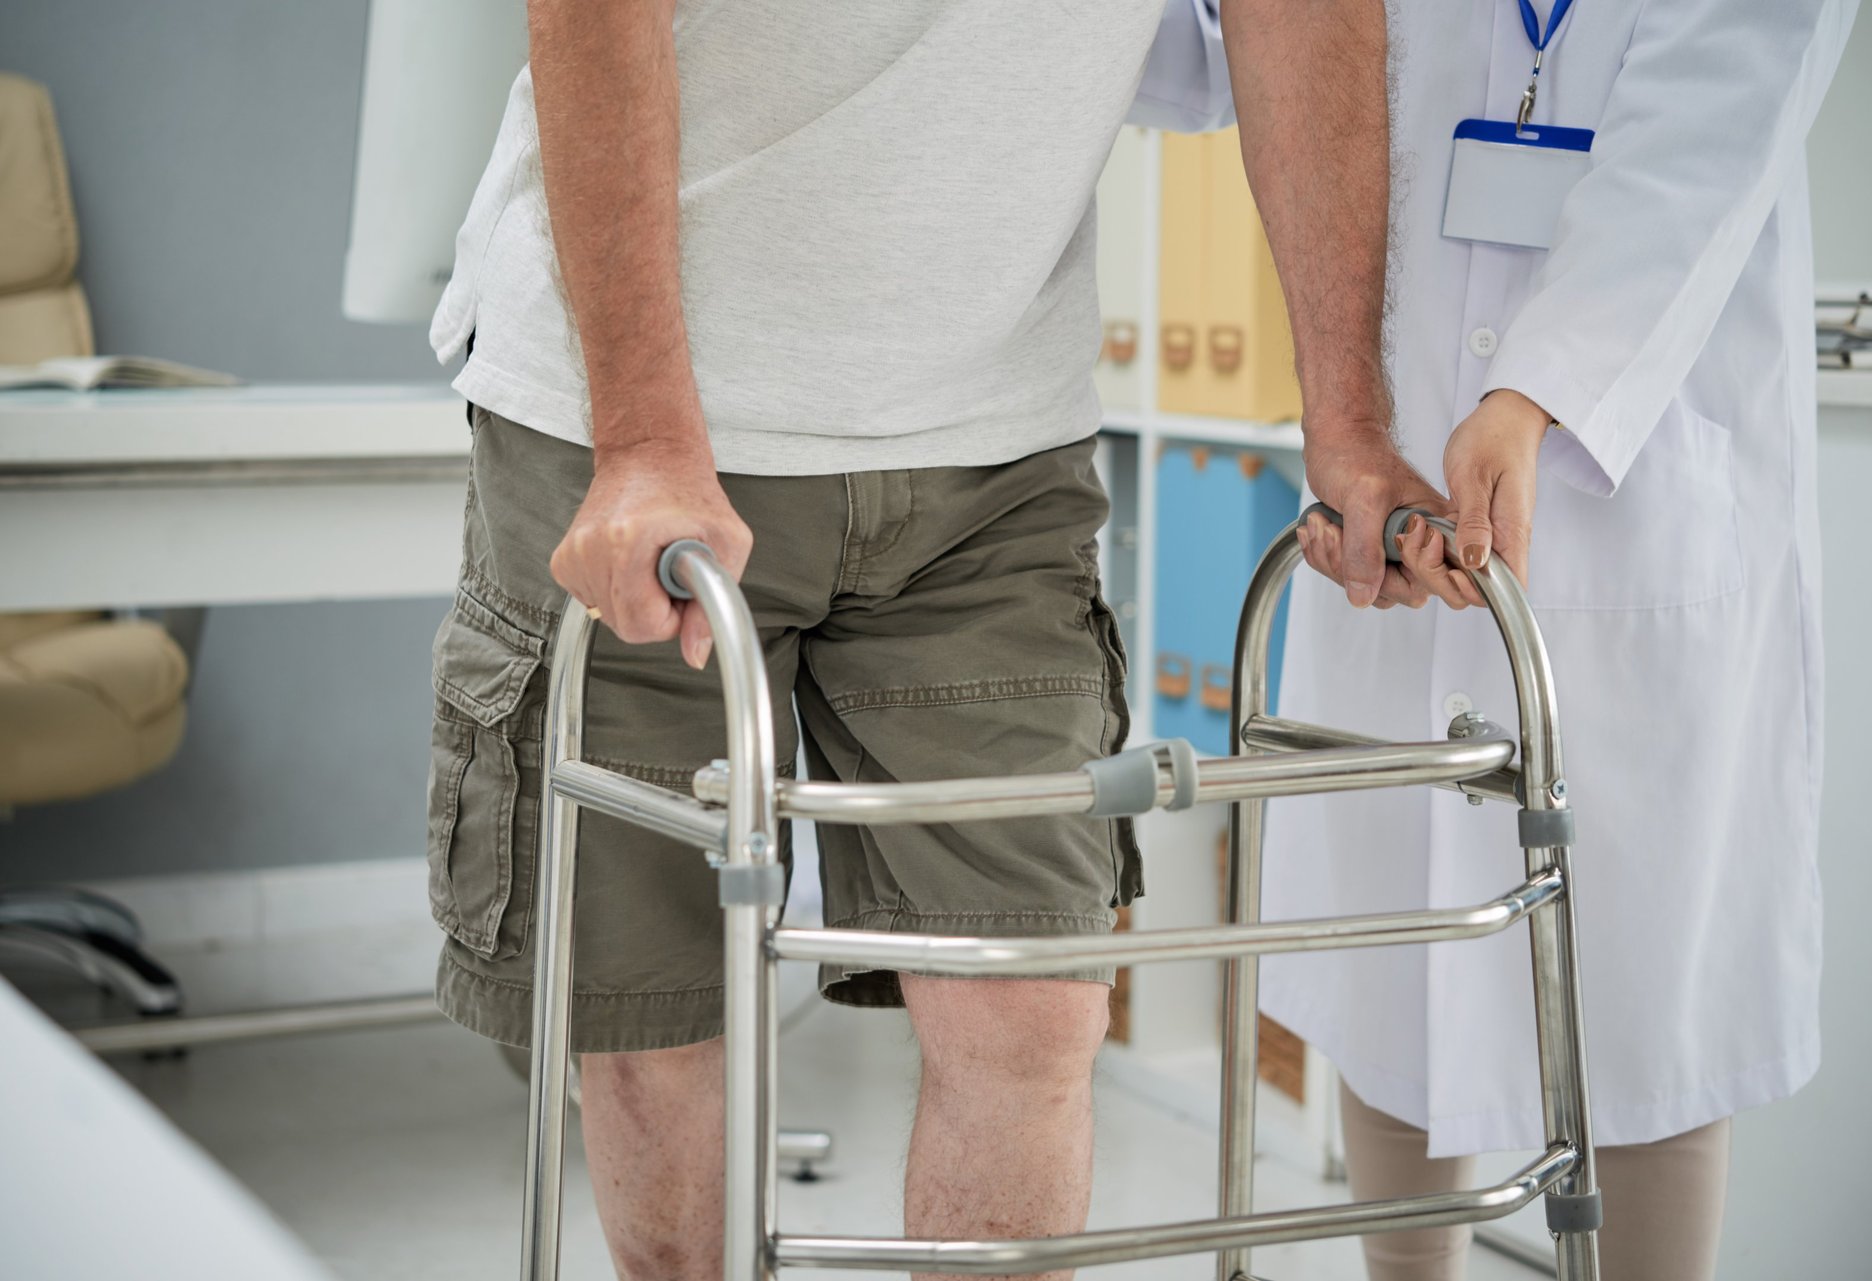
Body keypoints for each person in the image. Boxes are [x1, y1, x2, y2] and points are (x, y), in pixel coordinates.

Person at [424, 1, 1397, 1276]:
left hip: (991, 450)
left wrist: (1350, 419)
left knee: (1033, 1010)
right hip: (644, 422)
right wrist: (645, 437)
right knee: (656, 1027)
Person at [1250, 1, 1858, 1278]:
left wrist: (1537, 392)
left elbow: (1714, 112)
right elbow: (1257, 50)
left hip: (1630, 487)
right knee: (1390, 971)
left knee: (1648, 1011)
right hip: (1398, 474)